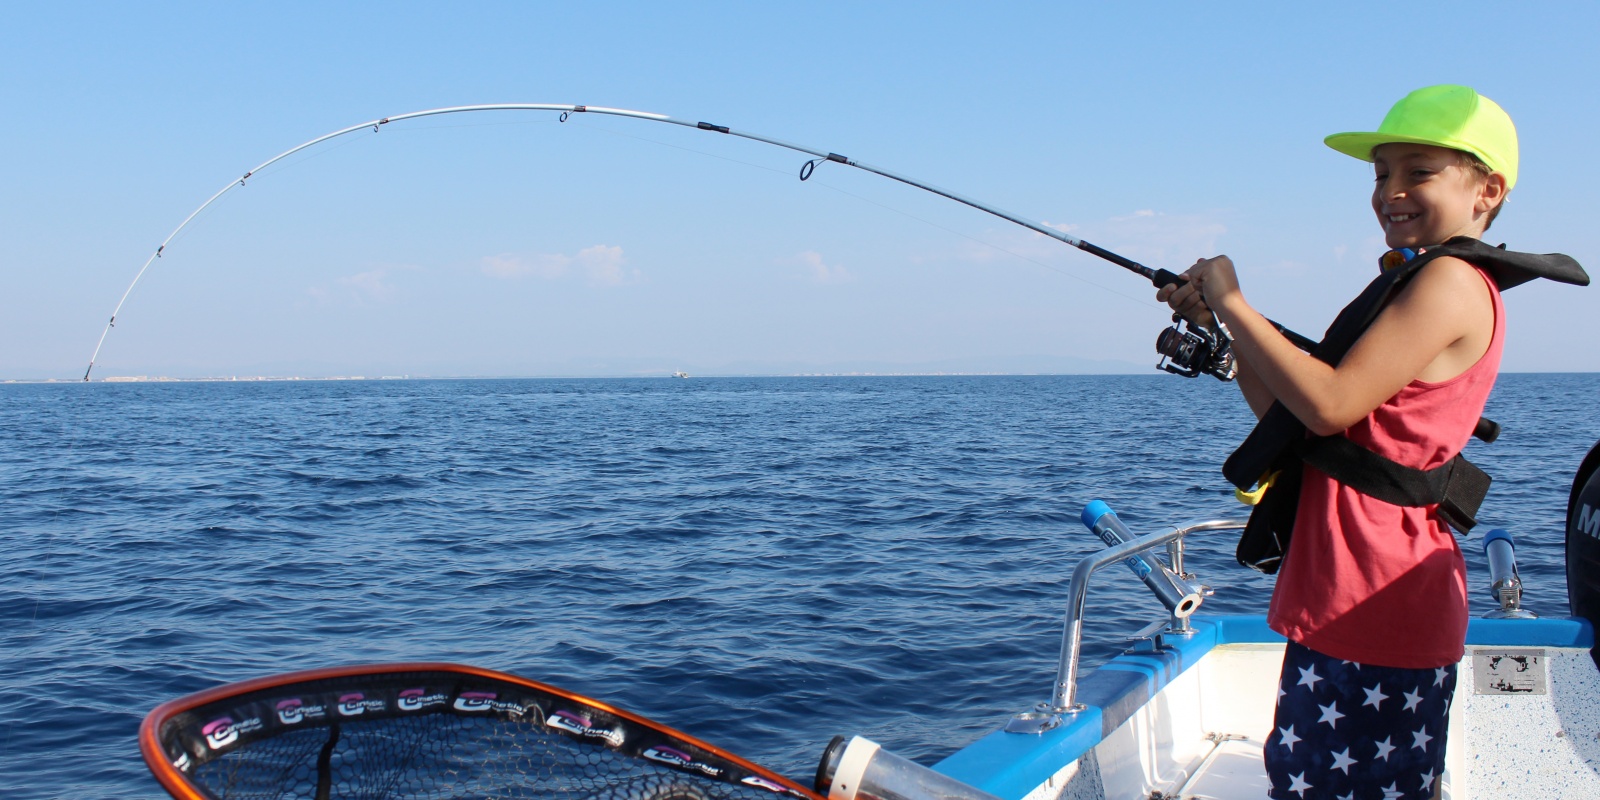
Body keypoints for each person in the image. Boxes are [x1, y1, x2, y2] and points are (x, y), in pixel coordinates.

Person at [1160, 85, 1526, 799]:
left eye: (1417, 171)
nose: (1390, 191)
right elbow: (1300, 420)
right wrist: (1230, 326)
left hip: (1380, 605)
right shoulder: (1411, 281)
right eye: (1380, 173)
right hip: (1341, 596)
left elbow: (1328, 405)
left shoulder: (1450, 281)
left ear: (1487, 190)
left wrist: (1234, 301)